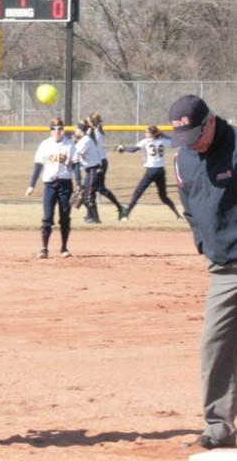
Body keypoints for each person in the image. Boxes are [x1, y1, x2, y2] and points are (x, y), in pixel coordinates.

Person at [169, 95, 237, 450]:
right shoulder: (183, 159)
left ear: (210, 121)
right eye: (185, 138)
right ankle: (219, 426)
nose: (192, 143)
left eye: (196, 134)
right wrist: (202, 243)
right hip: (224, 267)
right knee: (214, 343)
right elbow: (191, 210)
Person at [26, 117, 80, 258]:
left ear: (63, 130)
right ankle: (44, 248)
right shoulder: (44, 145)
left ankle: (64, 248)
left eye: (60, 129)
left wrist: (79, 184)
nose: (57, 131)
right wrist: (31, 185)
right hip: (50, 185)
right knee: (47, 217)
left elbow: (75, 165)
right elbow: (38, 165)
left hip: (65, 184)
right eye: (54, 129)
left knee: (65, 217)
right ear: (50, 131)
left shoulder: (69, 145)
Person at [116, 125, 181, 220]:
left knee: (138, 193)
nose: (145, 133)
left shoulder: (146, 141)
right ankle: (178, 216)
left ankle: (125, 215)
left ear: (152, 134)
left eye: (147, 132)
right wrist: (164, 134)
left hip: (151, 171)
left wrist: (123, 148)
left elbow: (133, 150)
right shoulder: (163, 141)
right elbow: (175, 141)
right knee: (163, 196)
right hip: (160, 171)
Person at [86, 112, 125, 220]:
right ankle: (91, 214)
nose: (87, 122)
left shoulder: (95, 132)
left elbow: (89, 146)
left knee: (93, 189)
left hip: (99, 163)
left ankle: (93, 216)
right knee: (98, 188)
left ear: (93, 122)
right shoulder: (94, 131)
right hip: (97, 162)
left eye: (89, 120)